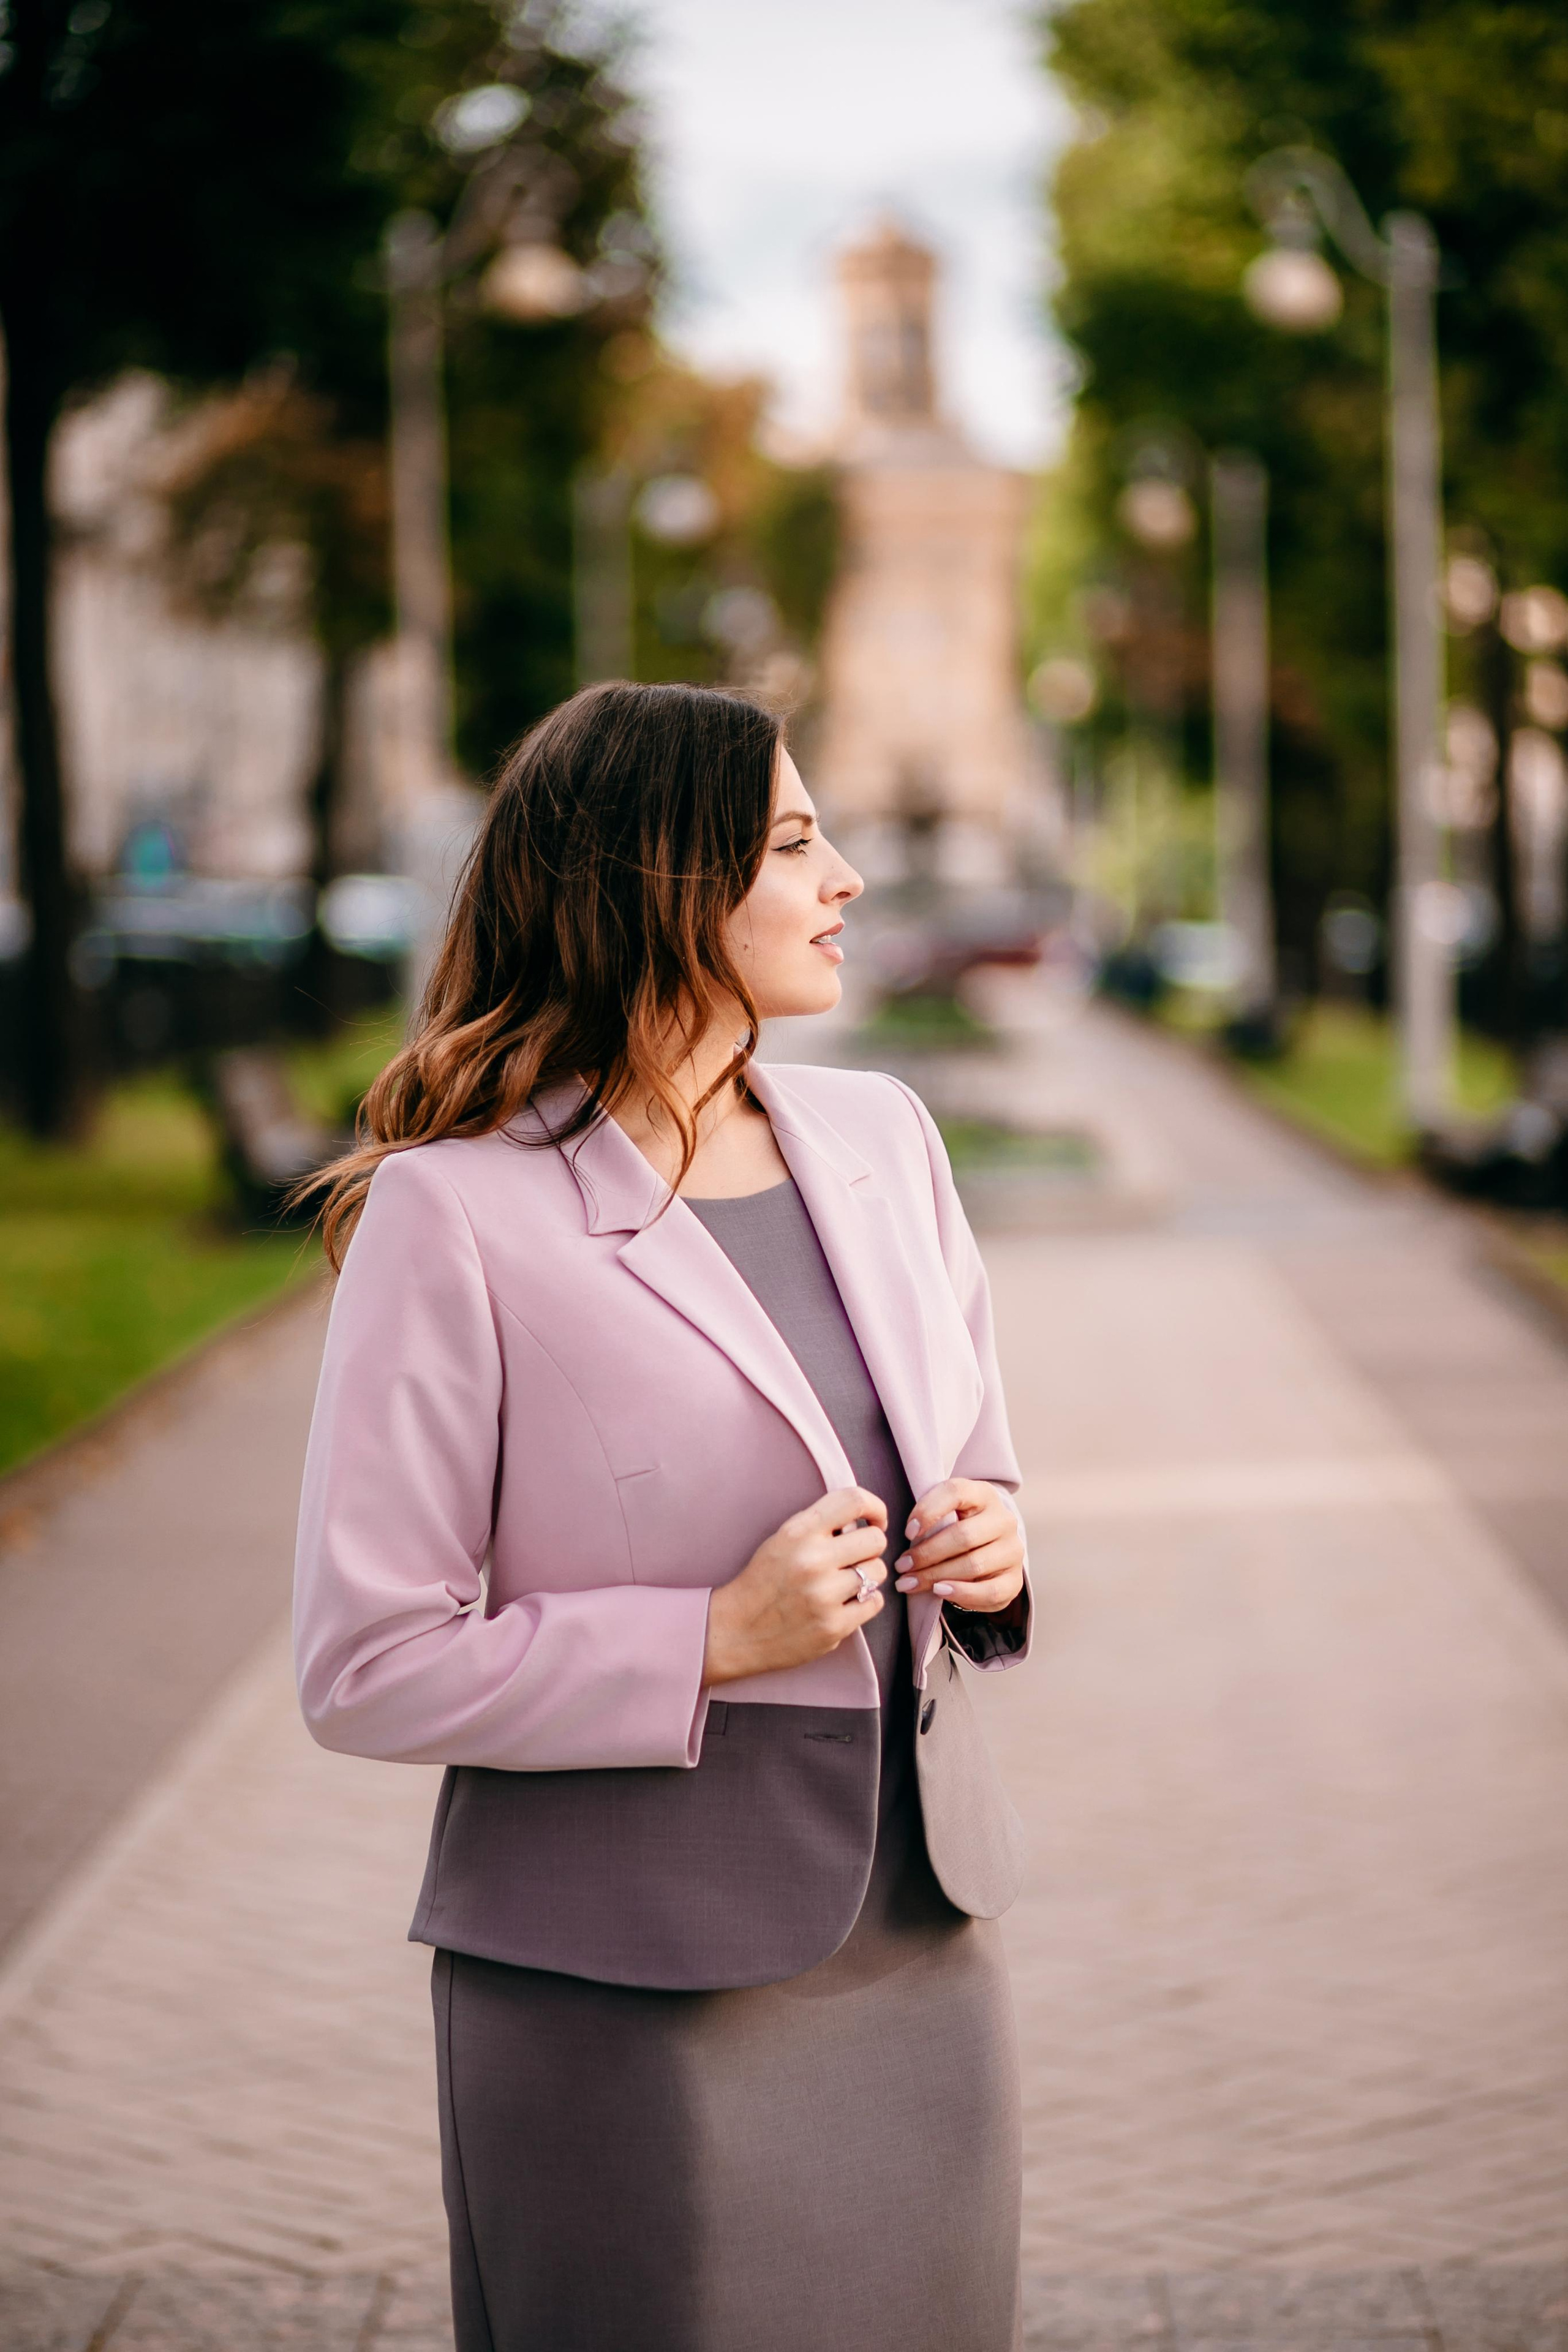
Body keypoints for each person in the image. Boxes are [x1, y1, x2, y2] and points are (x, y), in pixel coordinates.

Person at [293, 680, 1033, 2352]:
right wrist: (707, 1641)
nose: (844, 876)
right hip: (625, 1977)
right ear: (658, 884)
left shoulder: (885, 1138)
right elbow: (365, 1664)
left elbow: (976, 1458)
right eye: (790, 841)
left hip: (920, 1939)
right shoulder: (454, 1212)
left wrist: (998, 1546)